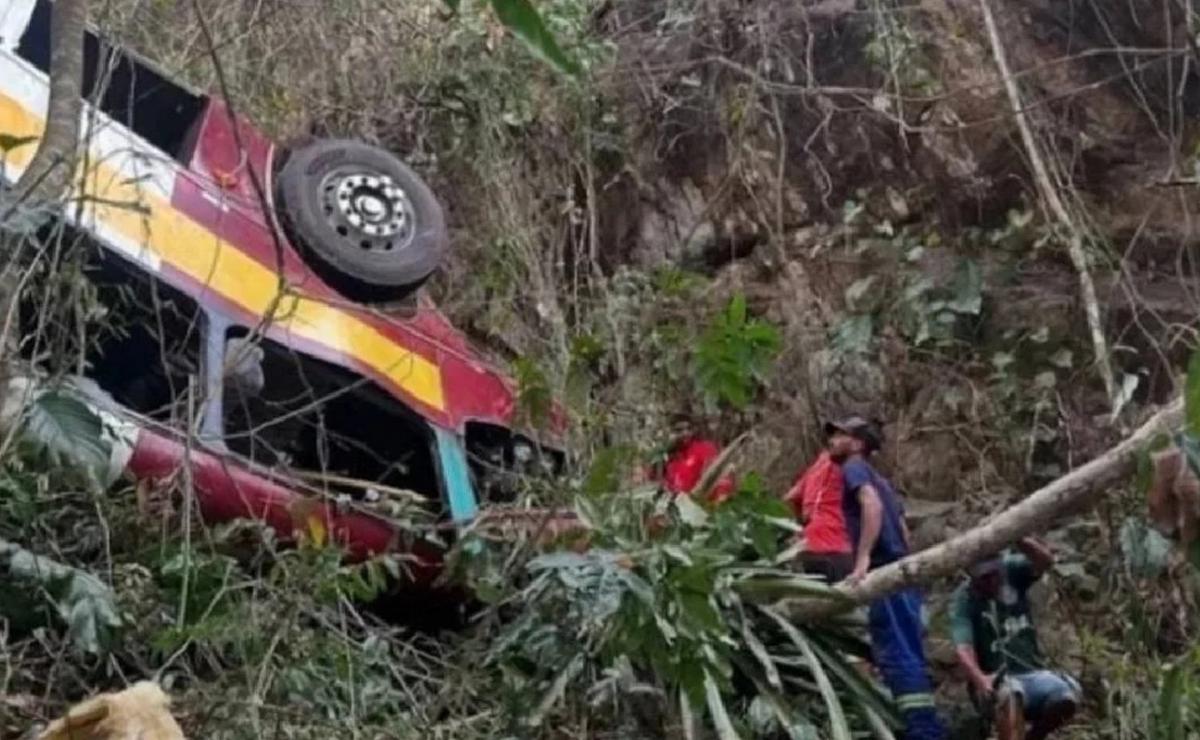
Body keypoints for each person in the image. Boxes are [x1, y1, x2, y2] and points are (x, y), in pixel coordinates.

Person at [827, 415, 946, 740]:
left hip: (885, 576)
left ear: (858, 443)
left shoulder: (855, 468)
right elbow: (904, 530)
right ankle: (927, 727)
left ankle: (923, 733)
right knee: (909, 653)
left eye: (839, 435)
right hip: (902, 577)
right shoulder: (884, 481)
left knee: (897, 656)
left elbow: (871, 506)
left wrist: (863, 558)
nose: (832, 441)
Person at [950, 538, 1080, 740]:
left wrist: (1018, 538)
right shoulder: (965, 599)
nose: (992, 581)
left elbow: (1045, 562)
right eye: (984, 577)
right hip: (999, 680)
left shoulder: (1012, 571)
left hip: (1032, 674)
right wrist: (980, 679)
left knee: (1065, 696)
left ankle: (1035, 736)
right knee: (1011, 696)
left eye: (995, 574)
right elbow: (963, 648)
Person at [785, 448, 853, 583]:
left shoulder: (815, 468)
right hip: (839, 546)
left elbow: (790, 498)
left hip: (810, 545)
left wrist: (801, 526)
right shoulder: (850, 465)